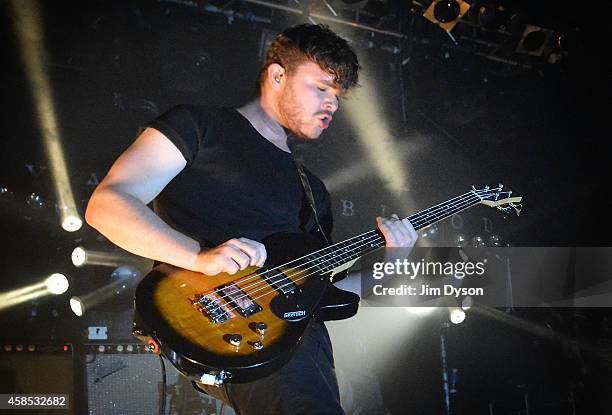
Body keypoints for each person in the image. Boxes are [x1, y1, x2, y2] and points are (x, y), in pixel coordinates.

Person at [86, 24, 417, 415]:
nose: (333, 104)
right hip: (221, 320)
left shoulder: (313, 190)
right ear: (278, 76)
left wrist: (394, 259)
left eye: (338, 96)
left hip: (298, 346)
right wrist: (198, 258)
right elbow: (106, 205)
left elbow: (324, 293)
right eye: (322, 88)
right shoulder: (200, 127)